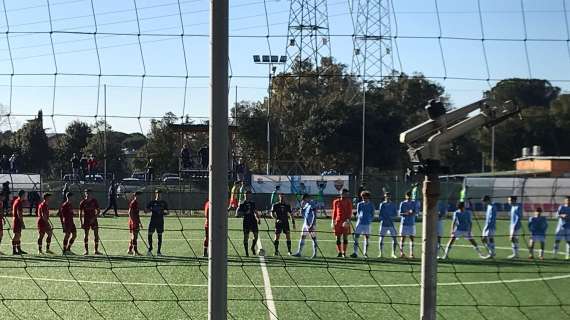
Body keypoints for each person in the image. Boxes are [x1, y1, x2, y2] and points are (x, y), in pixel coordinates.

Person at [292, 194, 318, 258]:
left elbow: (314, 215)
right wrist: (301, 210)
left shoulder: (312, 204)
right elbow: (303, 215)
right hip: (305, 224)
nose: (303, 201)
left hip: (311, 224)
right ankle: (299, 252)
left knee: (313, 238)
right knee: (302, 237)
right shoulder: (306, 204)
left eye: (304, 199)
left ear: (307, 198)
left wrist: (312, 225)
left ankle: (315, 254)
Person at [351, 190, 374, 258]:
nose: (364, 198)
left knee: (366, 238)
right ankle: (355, 252)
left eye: (365, 197)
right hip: (360, 223)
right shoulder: (360, 204)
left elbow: (372, 214)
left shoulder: (371, 205)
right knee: (356, 238)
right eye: (363, 197)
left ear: (368, 197)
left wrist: (369, 220)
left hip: (367, 224)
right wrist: (357, 216)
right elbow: (358, 213)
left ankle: (365, 253)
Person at [146, 189, 168, 256]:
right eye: (157, 193)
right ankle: (150, 249)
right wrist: (150, 210)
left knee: (159, 236)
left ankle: (158, 251)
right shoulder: (152, 202)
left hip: (160, 221)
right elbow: (146, 210)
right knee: (149, 234)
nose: (158, 195)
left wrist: (162, 212)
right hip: (153, 221)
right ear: (155, 194)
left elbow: (167, 212)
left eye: (160, 193)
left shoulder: (164, 203)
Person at [238, 190, 260, 257]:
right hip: (246, 221)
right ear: (244, 195)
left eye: (249, 195)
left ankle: (252, 247)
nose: (248, 196)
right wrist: (244, 213)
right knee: (246, 237)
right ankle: (246, 252)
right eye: (246, 194)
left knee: (256, 236)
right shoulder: (242, 203)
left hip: (253, 221)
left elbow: (255, 212)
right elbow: (238, 213)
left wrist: (258, 218)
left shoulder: (253, 203)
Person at [331, 189, 353, 258]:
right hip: (338, 222)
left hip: (345, 221)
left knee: (345, 237)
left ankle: (344, 252)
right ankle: (339, 252)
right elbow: (334, 212)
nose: (344, 195)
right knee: (337, 238)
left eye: (346, 194)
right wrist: (332, 221)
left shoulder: (348, 202)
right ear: (341, 193)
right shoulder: (336, 201)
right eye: (343, 193)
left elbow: (350, 212)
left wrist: (348, 220)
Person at [79, 189, 101, 255]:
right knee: (86, 235)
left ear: (91, 193)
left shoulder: (94, 201)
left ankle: (96, 250)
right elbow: (80, 213)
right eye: (87, 193)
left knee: (96, 235)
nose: (88, 194)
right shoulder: (82, 202)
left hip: (94, 220)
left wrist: (94, 218)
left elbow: (98, 211)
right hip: (86, 220)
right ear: (85, 193)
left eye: (89, 193)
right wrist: (81, 222)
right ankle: (86, 251)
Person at [378, 192, 399, 258]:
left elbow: (396, 214)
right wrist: (383, 218)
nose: (388, 197)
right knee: (381, 238)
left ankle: (393, 253)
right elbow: (380, 215)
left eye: (389, 196)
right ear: (385, 196)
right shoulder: (382, 204)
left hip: (391, 224)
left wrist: (391, 217)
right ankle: (380, 253)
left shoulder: (393, 204)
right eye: (387, 196)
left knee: (394, 238)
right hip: (384, 224)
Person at [399, 191, 417, 258]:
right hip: (404, 223)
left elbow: (416, 212)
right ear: (406, 196)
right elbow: (400, 213)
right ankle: (401, 253)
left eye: (410, 195)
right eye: (408, 195)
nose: (409, 197)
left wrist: (412, 213)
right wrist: (406, 213)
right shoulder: (402, 203)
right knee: (402, 238)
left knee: (412, 238)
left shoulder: (413, 203)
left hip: (411, 223)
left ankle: (411, 253)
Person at [11, 190, 27, 255]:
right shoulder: (18, 202)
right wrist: (22, 223)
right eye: (25, 195)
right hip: (17, 221)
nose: (25, 196)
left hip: (16, 220)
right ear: (22, 195)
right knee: (16, 235)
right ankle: (14, 251)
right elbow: (19, 214)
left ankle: (19, 249)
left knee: (18, 235)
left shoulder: (17, 201)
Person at [127, 191, 143, 255]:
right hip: (133, 222)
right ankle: (135, 251)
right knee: (135, 236)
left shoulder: (137, 203)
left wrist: (140, 222)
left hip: (136, 221)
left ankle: (129, 249)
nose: (139, 197)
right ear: (136, 196)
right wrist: (133, 221)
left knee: (134, 236)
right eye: (138, 195)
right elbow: (129, 213)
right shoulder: (133, 203)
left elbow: (137, 214)